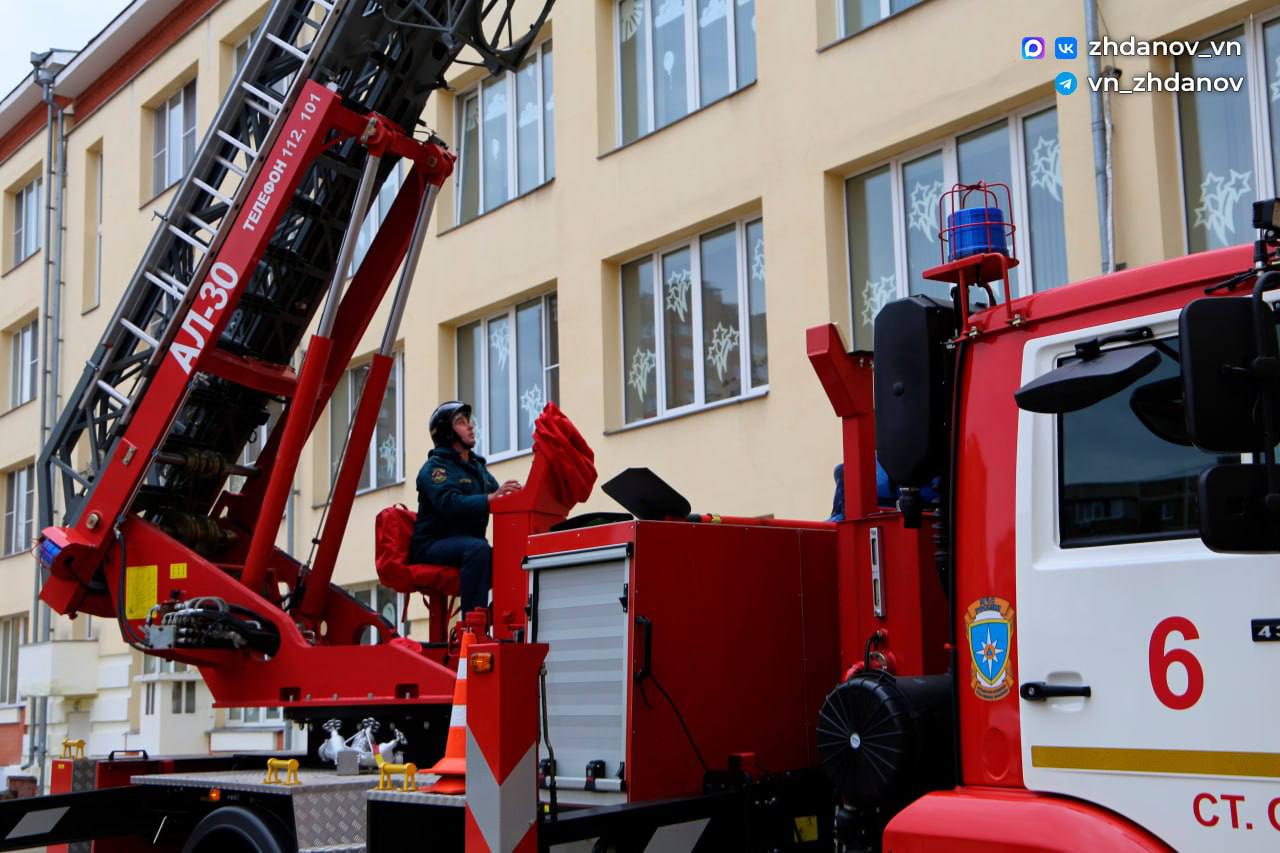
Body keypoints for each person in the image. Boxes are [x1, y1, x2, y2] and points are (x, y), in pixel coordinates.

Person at [409, 401, 521, 614]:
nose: (470, 426)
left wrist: (518, 496)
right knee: (479, 550)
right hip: (432, 545)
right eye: (461, 422)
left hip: (468, 545)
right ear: (446, 432)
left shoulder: (476, 467)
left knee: (509, 555)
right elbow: (449, 503)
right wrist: (491, 499)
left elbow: (498, 497)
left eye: (469, 421)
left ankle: (503, 616)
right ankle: (473, 623)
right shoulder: (435, 469)